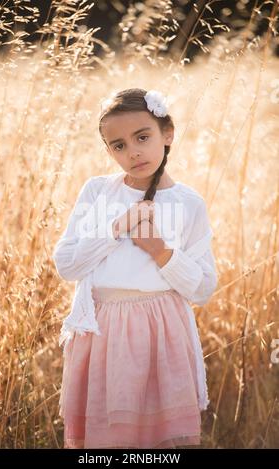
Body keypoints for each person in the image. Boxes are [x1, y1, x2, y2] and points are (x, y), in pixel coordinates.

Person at [52, 88, 218, 449]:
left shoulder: (189, 203)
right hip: (102, 330)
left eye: (142, 137)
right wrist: (116, 227)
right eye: (119, 145)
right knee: (108, 437)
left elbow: (203, 287)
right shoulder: (98, 193)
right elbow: (67, 263)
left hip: (162, 330)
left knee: (160, 440)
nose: (133, 152)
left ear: (167, 134)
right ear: (109, 151)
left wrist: (161, 252)